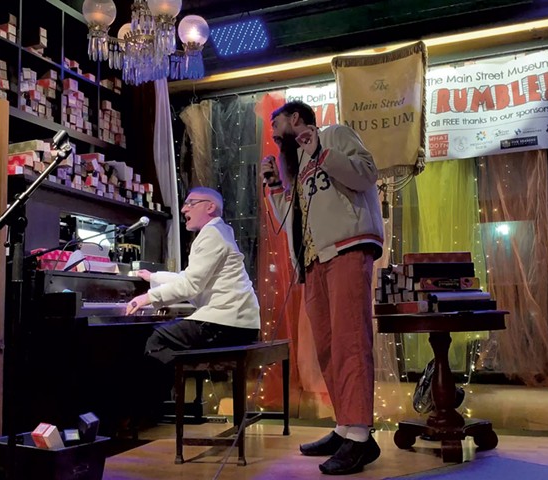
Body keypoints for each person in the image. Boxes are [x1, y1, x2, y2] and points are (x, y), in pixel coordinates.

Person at [260, 101, 384, 475]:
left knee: (350, 340)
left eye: (276, 122)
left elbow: (366, 174)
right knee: (328, 347)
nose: (272, 132)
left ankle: (360, 436)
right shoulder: (297, 164)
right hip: (314, 260)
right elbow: (289, 221)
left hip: (346, 247)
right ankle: (346, 425)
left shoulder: (335, 135)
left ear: (295, 118)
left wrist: (320, 149)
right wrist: (275, 185)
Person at [125, 187, 260, 421]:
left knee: (155, 340)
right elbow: (191, 279)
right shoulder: (219, 232)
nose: (184, 208)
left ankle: (148, 409)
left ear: (210, 207)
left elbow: (190, 286)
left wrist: (146, 297)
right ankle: (157, 405)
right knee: (161, 336)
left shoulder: (211, 235)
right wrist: (154, 278)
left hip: (224, 323)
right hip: (237, 322)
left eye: (191, 203)